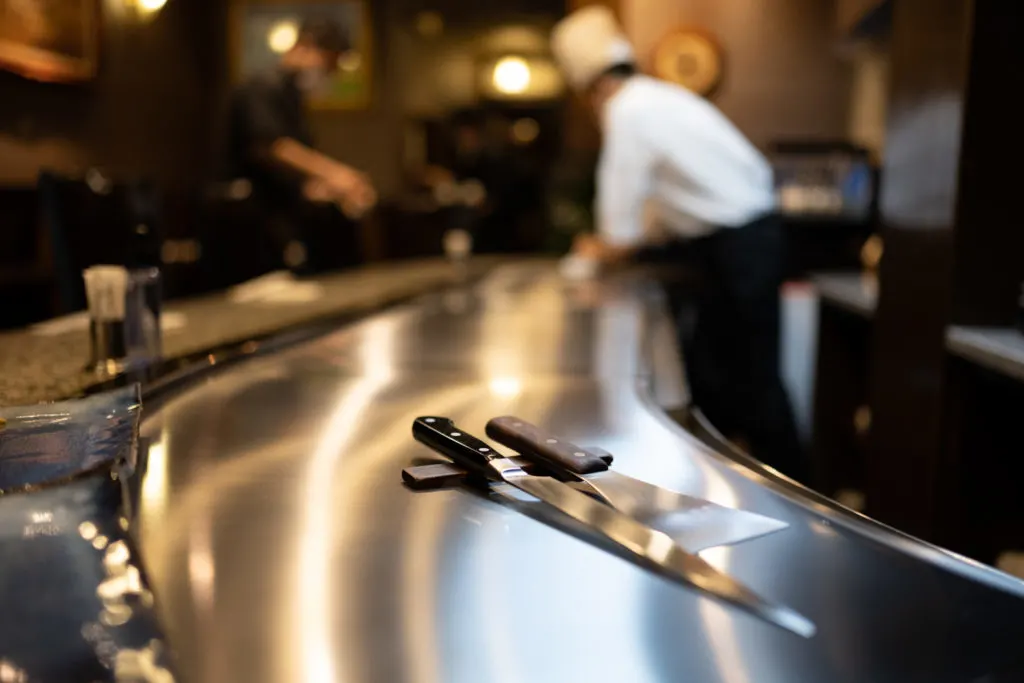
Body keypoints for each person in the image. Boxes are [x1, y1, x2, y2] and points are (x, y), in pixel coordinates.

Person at [551, 7, 806, 480]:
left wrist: (594, 249)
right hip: (741, 240)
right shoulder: (656, 98)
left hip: (741, 246)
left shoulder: (627, 111)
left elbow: (619, 229)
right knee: (716, 376)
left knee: (755, 381)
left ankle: (796, 494)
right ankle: (724, 479)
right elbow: (657, 208)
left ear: (593, 88)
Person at [225, 16, 376, 268]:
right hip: (248, 226)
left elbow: (287, 171)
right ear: (305, 47)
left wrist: (319, 187)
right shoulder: (261, 87)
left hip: (278, 221)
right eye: (328, 64)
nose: (328, 74)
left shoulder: (292, 97)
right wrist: (337, 175)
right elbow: (272, 146)